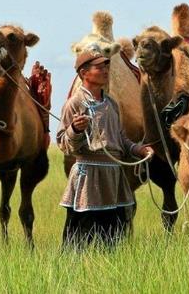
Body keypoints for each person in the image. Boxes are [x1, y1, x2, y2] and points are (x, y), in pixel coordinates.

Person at [57, 50, 152, 250]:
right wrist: (75, 129)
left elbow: (121, 140)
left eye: (106, 66)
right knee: (78, 243)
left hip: (113, 178)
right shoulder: (74, 104)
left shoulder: (111, 104)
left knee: (112, 242)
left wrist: (139, 150)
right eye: (99, 67)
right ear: (84, 73)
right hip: (88, 178)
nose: (105, 70)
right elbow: (63, 144)